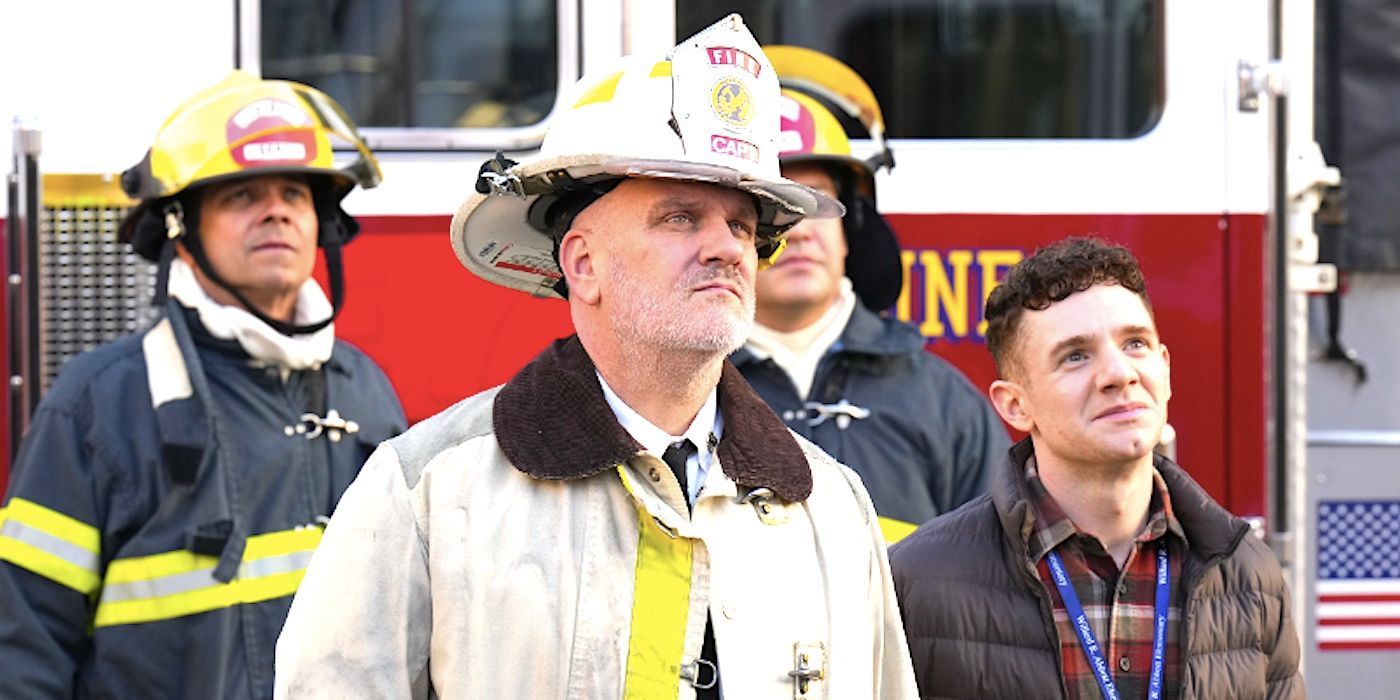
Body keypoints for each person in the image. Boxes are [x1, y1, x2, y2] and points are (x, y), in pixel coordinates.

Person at [275, 15, 916, 699]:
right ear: (582, 263)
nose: (728, 248)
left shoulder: (831, 508)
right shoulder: (427, 491)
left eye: (741, 225)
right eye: (681, 217)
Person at [0, 71, 406, 699]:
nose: (276, 210)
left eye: (295, 194)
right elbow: (25, 645)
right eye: (242, 196)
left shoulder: (363, 390)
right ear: (180, 231)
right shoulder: (97, 407)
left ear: (321, 224)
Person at [889, 236, 1303, 699]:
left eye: (1136, 344)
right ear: (1015, 405)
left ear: (1164, 370)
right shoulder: (918, 580)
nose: (1119, 373)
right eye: (1076, 356)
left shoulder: (1247, 572)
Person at [732, 50, 1007, 543]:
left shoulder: (941, 403)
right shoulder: (684, 393)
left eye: (816, 204)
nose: (800, 233)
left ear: (851, 227)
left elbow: (1000, 582)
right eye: (775, 210)